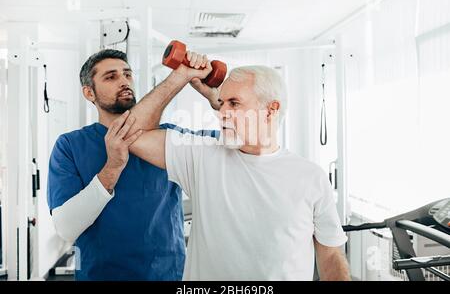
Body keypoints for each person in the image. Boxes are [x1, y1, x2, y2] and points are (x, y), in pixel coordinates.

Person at [125, 58, 351, 280]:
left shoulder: (310, 177)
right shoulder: (201, 155)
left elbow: (330, 255)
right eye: (221, 103)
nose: (221, 112)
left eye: (234, 103)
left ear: (270, 110)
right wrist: (180, 76)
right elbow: (129, 135)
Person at [47, 49, 217, 280]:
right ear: (89, 93)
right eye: (111, 77)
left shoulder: (169, 138)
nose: (124, 81)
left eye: (127, 74)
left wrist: (216, 99)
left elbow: (241, 141)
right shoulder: (69, 145)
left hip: (168, 275)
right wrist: (113, 167)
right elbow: (66, 228)